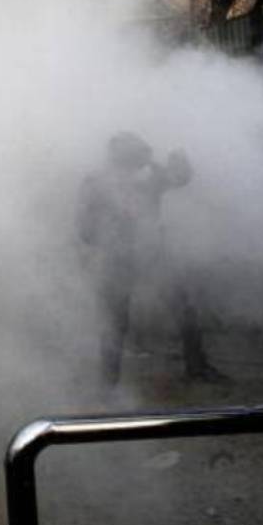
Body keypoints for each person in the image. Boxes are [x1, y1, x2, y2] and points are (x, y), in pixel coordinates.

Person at [76, 131, 229, 387]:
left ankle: (197, 367)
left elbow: (179, 179)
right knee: (115, 322)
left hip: (151, 253)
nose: (141, 161)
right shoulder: (96, 182)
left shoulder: (150, 175)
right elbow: (85, 230)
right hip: (118, 259)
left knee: (183, 309)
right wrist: (114, 236)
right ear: (119, 156)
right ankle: (108, 384)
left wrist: (181, 162)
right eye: (135, 155)